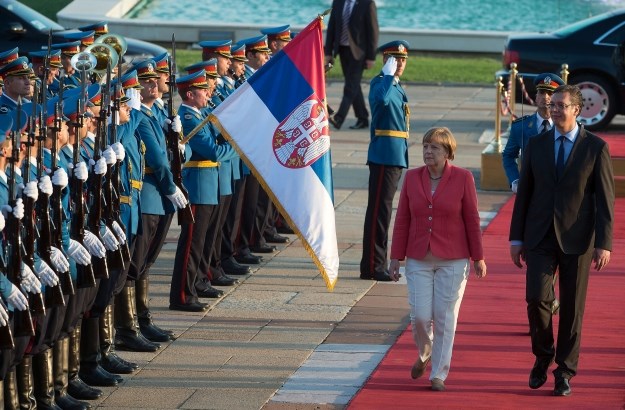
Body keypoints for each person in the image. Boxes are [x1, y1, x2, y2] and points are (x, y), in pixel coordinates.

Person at [509, 84, 614, 397]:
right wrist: (516, 238)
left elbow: (605, 200)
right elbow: (524, 193)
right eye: (552, 104)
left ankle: (565, 371)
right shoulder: (536, 144)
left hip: (578, 239)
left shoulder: (595, 148)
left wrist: (604, 242)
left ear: (576, 110)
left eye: (561, 105)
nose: (553, 109)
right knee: (536, 298)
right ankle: (543, 355)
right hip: (539, 236)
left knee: (571, 308)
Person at [389, 127, 487, 392]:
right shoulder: (411, 178)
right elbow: (403, 219)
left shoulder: (463, 178)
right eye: (425, 146)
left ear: (448, 152)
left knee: (445, 317)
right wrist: (395, 257)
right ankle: (426, 352)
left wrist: (478, 256)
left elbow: (471, 219)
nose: (428, 152)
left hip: (454, 259)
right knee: (420, 317)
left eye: (434, 147)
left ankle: (438, 374)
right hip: (419, 257)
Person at [502, 73, 564, 317]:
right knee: (534, 249)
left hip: (557, 199)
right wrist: (514, 180)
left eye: (550, 94)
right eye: (541, 93)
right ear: (535, 96)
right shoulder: (522, 127)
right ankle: (542, 297)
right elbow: (508, 155)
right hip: (530, 199)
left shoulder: (566, 126)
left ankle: (547, 295)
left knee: (557, 246)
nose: (545, 98)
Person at [360, 40, 409, 281]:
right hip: (383, 155)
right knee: (379, 212)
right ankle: (372, 266)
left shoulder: (395, 85)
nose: (400, 63)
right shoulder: (381, 83)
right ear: (385, 61)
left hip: (394, 156)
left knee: (384, 212)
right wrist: (388, 76)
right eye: (395, 59)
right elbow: (381, 101)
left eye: (402, 60)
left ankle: (374, 263)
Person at [324, 0, 378, 130]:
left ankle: (339, 118)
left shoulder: (367, 3)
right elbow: (332, 26)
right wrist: (328, 52)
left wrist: (371, 56)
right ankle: (362, 118)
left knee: (350, 86)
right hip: (342, 50)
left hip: (359, 52)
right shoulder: (338, 2)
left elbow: (373, 30)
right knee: (353, 85)